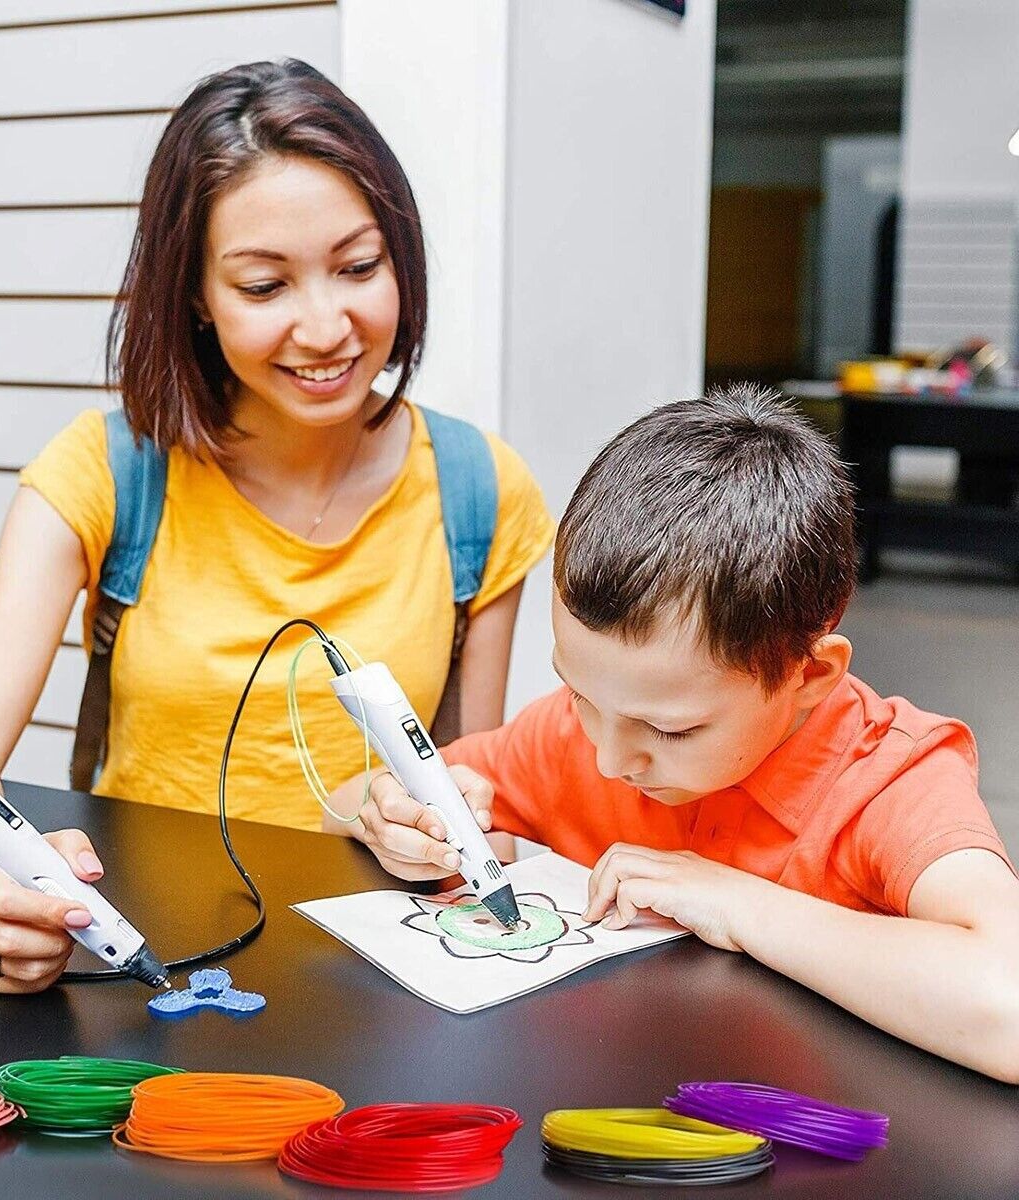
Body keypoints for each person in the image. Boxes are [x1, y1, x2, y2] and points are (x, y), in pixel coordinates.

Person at [0, 59, 553, 993]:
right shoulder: (107, 471)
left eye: (359, 267)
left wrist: (444, 822)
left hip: (386, 980)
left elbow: (463, 776)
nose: (327, 326)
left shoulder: (479, 488)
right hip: (144, 973)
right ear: (197, 298)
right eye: (264, 285)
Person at [339, 385, 1019, 1082]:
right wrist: (398, 816)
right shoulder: (574, 734)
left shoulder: (893, 780)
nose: (608, 758)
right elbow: (366, 790)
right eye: (579, 694)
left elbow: (1010, 1009)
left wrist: (739, 903)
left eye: (671, 730)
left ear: (809, 677)